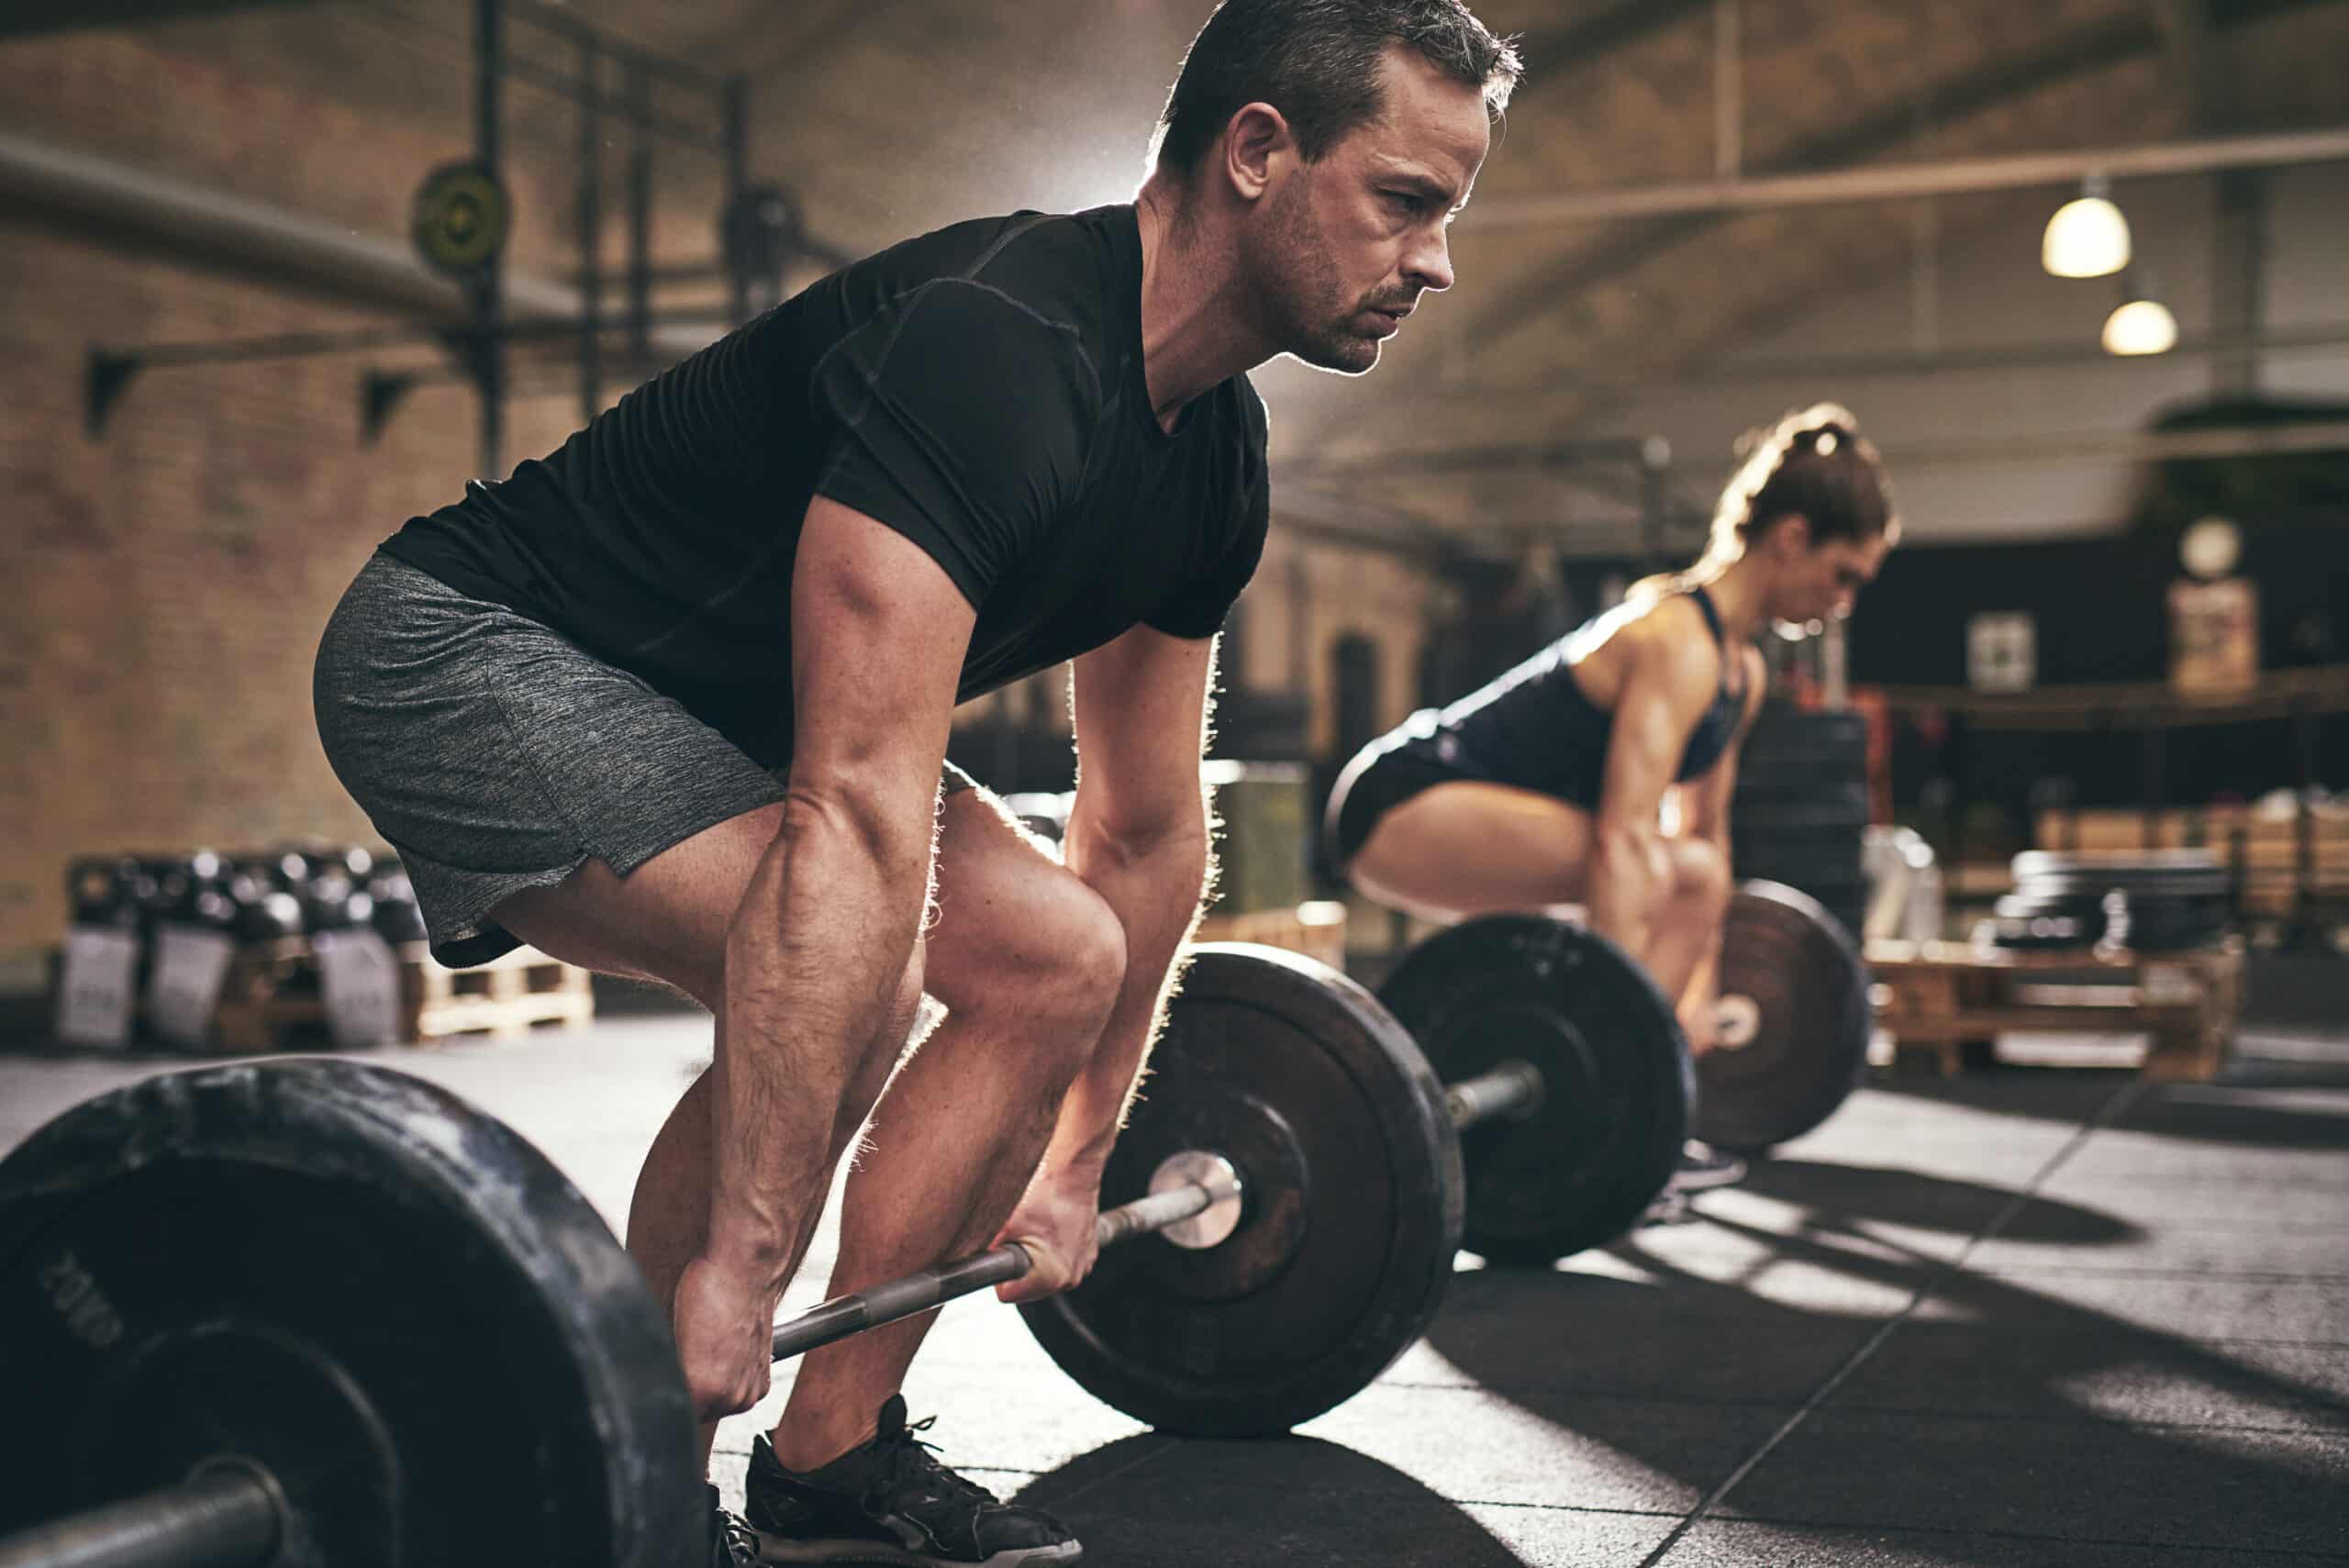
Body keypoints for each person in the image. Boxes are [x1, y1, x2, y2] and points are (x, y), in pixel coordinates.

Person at [312, 3, 1520, 1562]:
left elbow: (1144, 828)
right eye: (1407, 202)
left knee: (1057, 951)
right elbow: (861, 816)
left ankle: (832, 1450)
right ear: (1258, 153)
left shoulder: (1210, 462)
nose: (1433, 261)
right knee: (851, 970)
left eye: (1450, 216)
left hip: (728, 711)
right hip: (472, 650)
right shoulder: (995, 345)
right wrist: (741, 1262)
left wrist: (1083, 1156)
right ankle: (639, 1484)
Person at [1324, 404, 1898, 1188]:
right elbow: (1623, 841)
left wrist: (1701, 995)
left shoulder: (1742, 669)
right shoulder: (1674, 640)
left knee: (1696, 870)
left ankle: (1634, 1104)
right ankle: (1605, 1098)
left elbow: (1708, 838)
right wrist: (1599, 1028)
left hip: (1484, 816)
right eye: (1844, 574)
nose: (1845, 600)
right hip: (1400, 800)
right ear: (1792, 537)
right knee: (1654, 866)